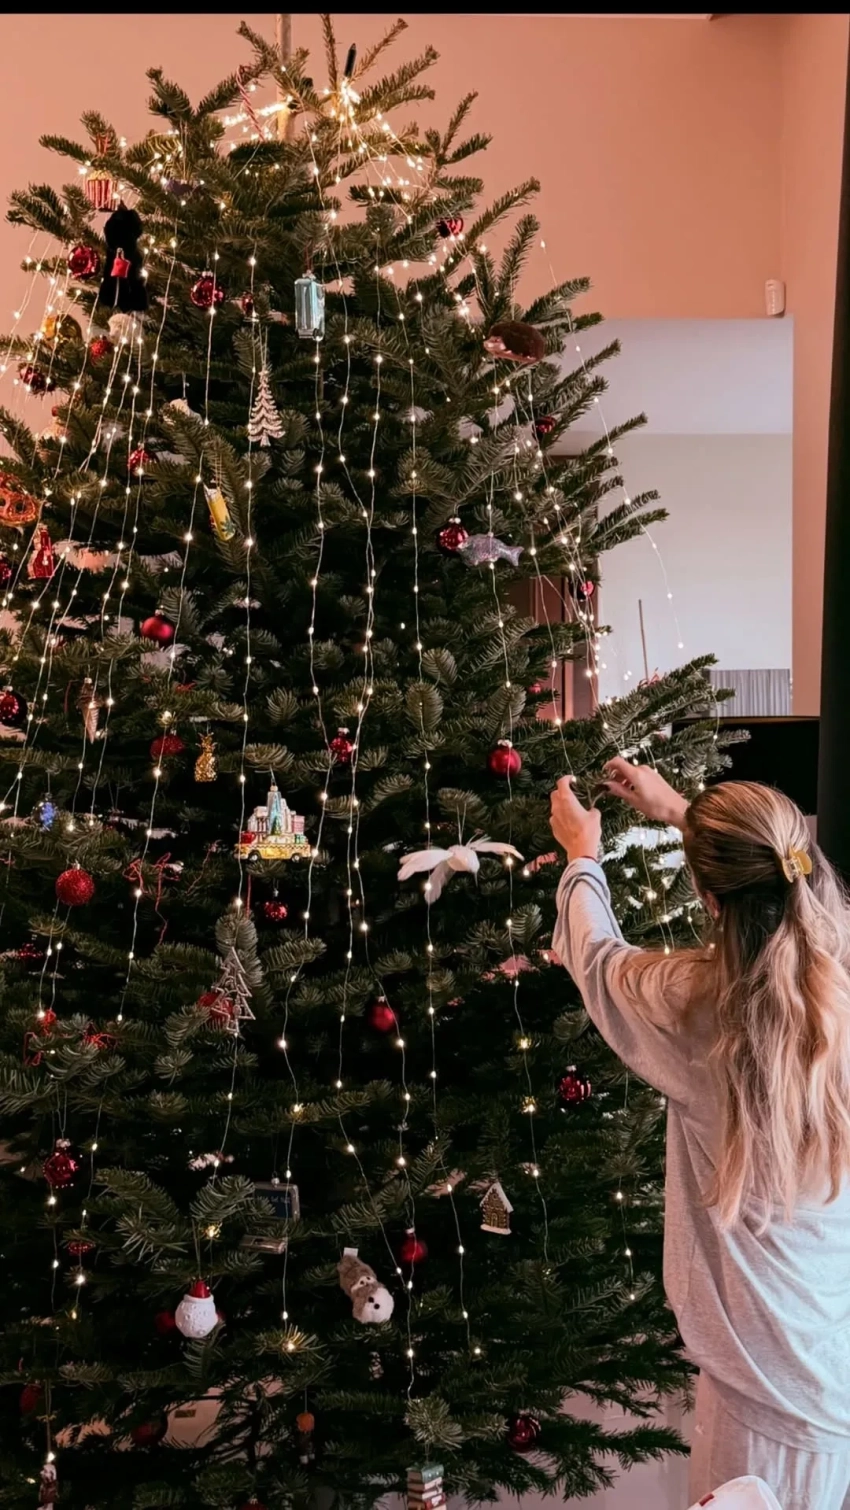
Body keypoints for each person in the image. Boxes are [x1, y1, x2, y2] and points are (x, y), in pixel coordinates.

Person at [549, 764, 850, 1510]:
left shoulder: (698, 1010)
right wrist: (684, 815)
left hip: (755, 1403)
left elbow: (598, 960)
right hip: (830, 1380)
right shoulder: (840, 983)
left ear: (708, 899)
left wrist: (582, 855)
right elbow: (789, 881)